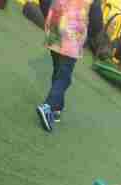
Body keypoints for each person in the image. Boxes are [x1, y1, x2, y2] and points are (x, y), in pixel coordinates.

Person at [37, 0, 93, 131]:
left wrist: (50, 18)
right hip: (71, 35)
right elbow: (96, 18)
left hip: (55, 28)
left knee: (59, 70)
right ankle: (48, 106)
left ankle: (57, 108)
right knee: (64, 77)